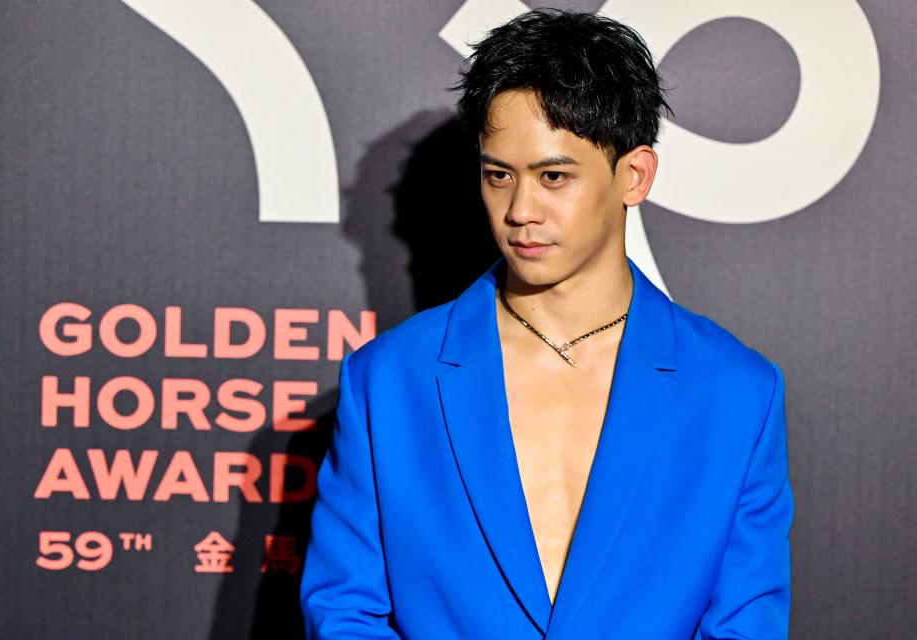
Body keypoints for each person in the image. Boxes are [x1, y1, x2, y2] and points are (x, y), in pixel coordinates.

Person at [300, 8, 794, 639]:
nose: (520, 210)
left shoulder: (736, 391)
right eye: (498, 175)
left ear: (634, 175)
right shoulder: (389, 381)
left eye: (554, 176)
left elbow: (744, 625)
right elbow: (345, 613)